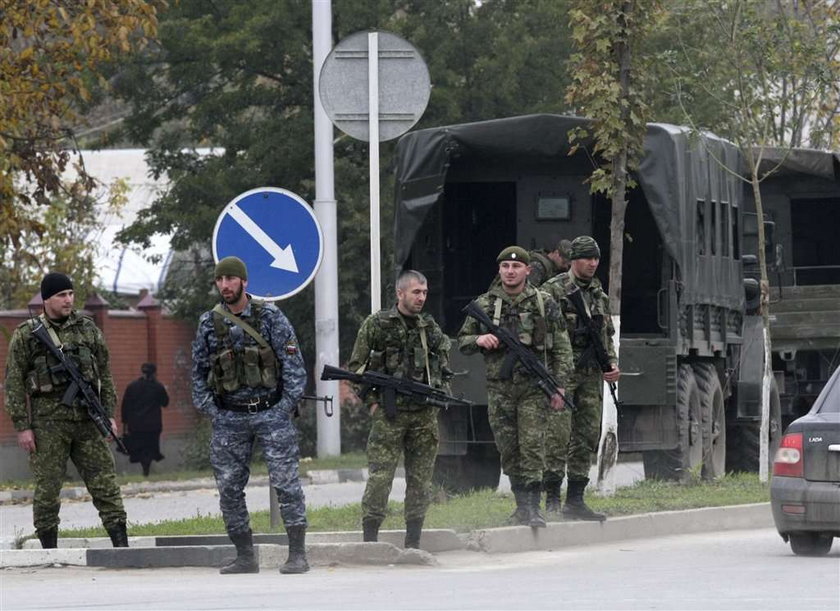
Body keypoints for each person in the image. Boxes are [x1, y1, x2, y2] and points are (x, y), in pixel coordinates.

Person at [191, 256, 309, 575]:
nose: (225, 285)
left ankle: (297, 553)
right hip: (230, 418)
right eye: (220, 279)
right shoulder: (208, 323)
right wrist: (212, 411)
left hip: (271, 412)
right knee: (228, 487)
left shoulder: (270, 317)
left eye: (231, 279)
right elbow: (199, 374)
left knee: (286, 483)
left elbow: (295, 369)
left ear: (244, 282)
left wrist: (283, 408)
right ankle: (245, 555)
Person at [4, 272, 128, 548]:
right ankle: (48, 548)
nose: (68, 300)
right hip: (49, 423)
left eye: (70, 294)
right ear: (46, 299)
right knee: (48, 488)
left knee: (105, 483)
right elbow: (13, 382)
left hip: (87, 421)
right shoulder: (27, 335)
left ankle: (121, 542)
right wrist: (23, 426)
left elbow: (105, 375)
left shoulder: (88, 329)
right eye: (61, 295)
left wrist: (108, 414)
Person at [457, 247, 573, 528]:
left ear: (528, 270)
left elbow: (561, 347)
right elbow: (463, 340)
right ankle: (521, 506)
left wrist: (560, 387)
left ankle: (534, 508)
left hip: (534, 388)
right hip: (500, 389)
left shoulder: (543, 303)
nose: (511, 271)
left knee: (532, 446)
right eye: (506, 267)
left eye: (517, 267)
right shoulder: (484, 305)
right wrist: (479, 340)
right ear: (499, 271)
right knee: (508, 449)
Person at [347, 270, 452, 549]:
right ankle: (370, 540)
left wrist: (440, 394)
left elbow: (444, 366)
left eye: (424, 293)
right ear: (400, 293)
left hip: (423, 414)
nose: (421, 298)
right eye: (416, 292)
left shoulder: (429, 328)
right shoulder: (377, 324)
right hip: (389, 415)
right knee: (381, 477)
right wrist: (371, 402)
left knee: (421, 480)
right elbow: (355, 368)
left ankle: (413, 541)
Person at [542, 236, 621, 521]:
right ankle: (551, 496)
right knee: (557, 435)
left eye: (596, 258)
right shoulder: (552, 290)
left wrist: (610, 362)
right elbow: (543, 333)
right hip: (560, 373)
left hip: (588, 373)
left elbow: (605, 335)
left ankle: (575, 498)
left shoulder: (598, 294)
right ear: (573, 260)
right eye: (587, 258)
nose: (592, 263)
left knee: (586, 434)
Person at [120, 363, 169, 476]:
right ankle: (146, 468)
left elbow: (125, 406)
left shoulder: (132, 386)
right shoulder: (158, 387)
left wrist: (125, 423)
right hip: (153, 425)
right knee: (150, 447)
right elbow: (165, 402)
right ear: (154, 373)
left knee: (140, 447)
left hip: (136, 425)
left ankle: (145, 467)